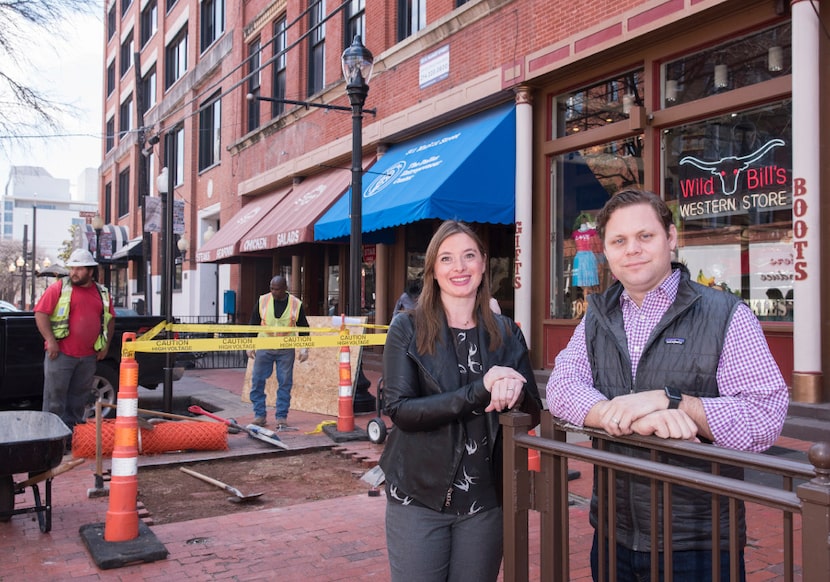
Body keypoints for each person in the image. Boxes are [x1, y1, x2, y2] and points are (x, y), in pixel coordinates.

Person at [547, 189, 788, 581]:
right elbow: (562, 386)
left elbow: (765, 415)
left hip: (697, 540)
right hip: (612, 532)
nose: (633, 250)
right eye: (619, 241)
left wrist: (675, 403)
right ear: (606, 252)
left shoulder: (726, 314)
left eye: (646, 236)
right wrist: (629, 417)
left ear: (671, 238)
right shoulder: (597, 317)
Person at [380, 220, 542, 582]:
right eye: (447, 259)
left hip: (486, 501)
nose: (460, 267)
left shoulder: (506, 332)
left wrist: (515, 395)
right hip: (417, 495)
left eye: (469, 256)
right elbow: (401, 411)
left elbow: (532, 412)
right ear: (433, 271)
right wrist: (480, 390)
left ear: (484, 264)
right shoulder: (407, 328)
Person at [34, 248, 116, 434]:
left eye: (78, 269)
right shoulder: (59, 288)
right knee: (55, 400)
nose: (73, 273)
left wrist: (106, 345)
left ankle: (71, 439)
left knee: (78, 401)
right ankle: (51, 439)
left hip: (87, 357)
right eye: (72, 268)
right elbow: (41, 314)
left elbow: (110, 320)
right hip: (61, 354)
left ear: (90, 271)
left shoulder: (102, 293)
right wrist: (51, 341)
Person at [247, 275, 310, 429]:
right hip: (265, 345)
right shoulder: (263, 301)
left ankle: (281, 417)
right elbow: (253, 323)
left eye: (277, 289)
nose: (274, 292)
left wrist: (304, 348)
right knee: (257, 381)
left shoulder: (296, 304)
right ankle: (259, 415)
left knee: (285, 383)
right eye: (272, 288)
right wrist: (249, 344)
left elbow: (304, 328)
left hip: (285, 349)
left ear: (285, 289)